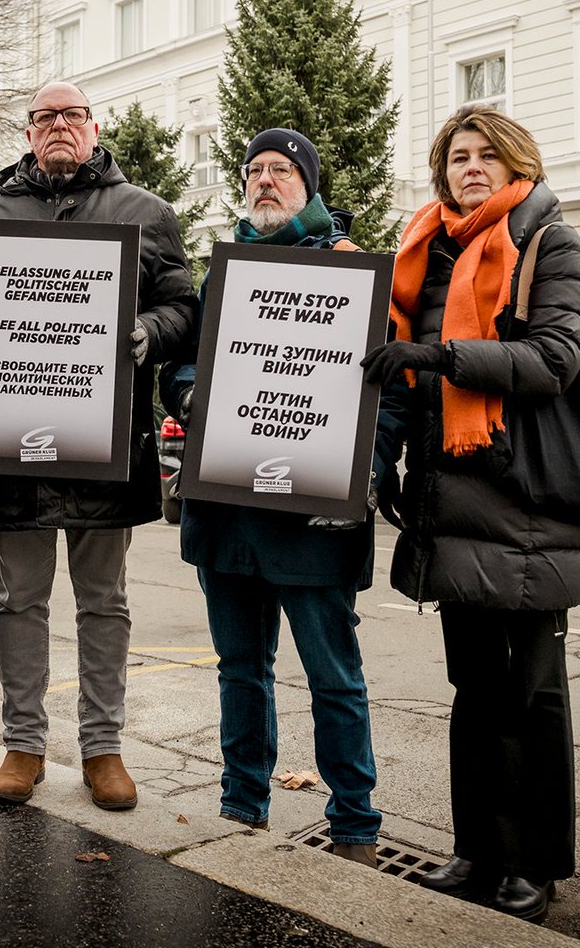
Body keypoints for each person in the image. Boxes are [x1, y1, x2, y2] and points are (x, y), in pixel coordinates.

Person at [0, 80, 197, 811]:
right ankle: (22, 746)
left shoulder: (147, 214)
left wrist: (150, 332)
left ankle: (102, 749)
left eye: (72, 115)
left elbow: (185, 306)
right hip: (11, 442)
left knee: (104, 601)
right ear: (29, 134)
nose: (59, 126)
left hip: (106, 442)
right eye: (44, 117)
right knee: (17, 599)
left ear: (94, 128)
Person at [361, 105, 580, 921]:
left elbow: (556, 358)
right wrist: (395, 470)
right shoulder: (428, 251)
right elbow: (407, 379)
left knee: (531, 693)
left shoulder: (548, 244)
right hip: (449, 496)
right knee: (473, 689)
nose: (472, 166)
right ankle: (476, 849)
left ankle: (535, 862)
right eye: (458, 155)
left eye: (488, 154)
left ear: (516, 161)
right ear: (441, 169)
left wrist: (442, 356)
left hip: (524, 499)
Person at [160, 128, 399, 867]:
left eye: (282, 171)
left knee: (333, 675)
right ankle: (242, 805)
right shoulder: (220, 275)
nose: (266, 181)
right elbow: (180, 369)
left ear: (309, 187)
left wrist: (366, 474)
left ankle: (355, 821)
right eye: (255, 170)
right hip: (228, 511)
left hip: (312, 517)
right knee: (241, 670)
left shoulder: (349, 270)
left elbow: (385, 394)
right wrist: (191, 392)